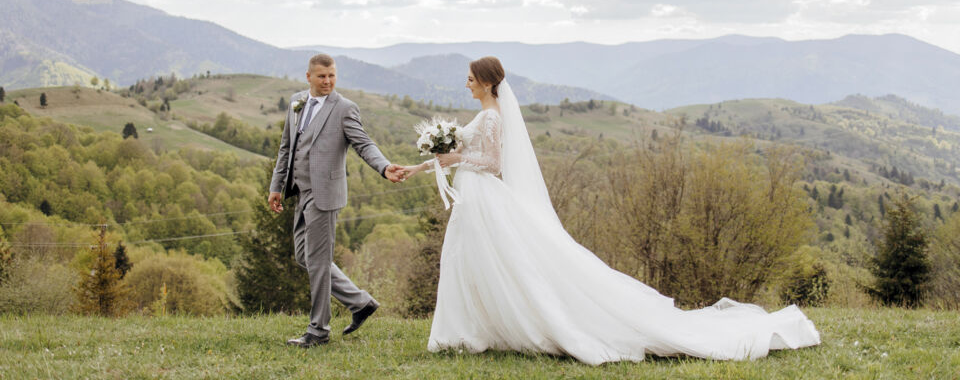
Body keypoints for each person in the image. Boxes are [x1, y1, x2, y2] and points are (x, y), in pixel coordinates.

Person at [398, 56, 820, 365]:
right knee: (470, 262)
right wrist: (419, 167)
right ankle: (469, 329)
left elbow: (493, 164)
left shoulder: (492, 118)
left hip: (485, 198)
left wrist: (455, 159)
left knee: (494, 263)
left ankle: (474, 330)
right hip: (474, 198)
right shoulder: (484, 114)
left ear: (489, 83)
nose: (467, 83)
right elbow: (459, 155)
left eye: (472, 79)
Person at [268, 54, 404, 348]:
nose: (327, 81)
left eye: (332, 76)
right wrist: (276, 186)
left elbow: (363, 143)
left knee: (318, 262)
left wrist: (384, 167)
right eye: (321, 76)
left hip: (325, 195)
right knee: (304, 257)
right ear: (308, 77)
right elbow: (286, 148)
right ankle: (360, 302)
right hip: (300, 191)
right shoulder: (296, 103)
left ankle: (318, 330)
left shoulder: (344, 108)